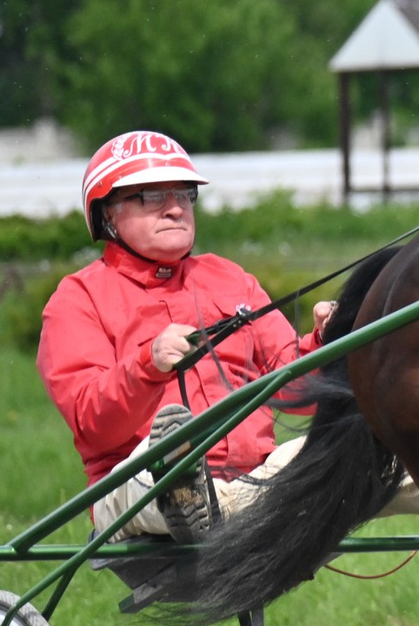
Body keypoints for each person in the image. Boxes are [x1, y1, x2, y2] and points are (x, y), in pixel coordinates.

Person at [38, 131, 341, 540]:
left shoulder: (230, 278)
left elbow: (294, 388)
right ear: (107, 214)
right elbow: (94, 424)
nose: (175, 209)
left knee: (369, 442)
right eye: (152, 196)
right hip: (132, 488)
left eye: (183, 194)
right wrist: (149, 364)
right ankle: (188, 488)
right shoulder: (77, 299)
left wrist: (328, 341)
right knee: (162, 459)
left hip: (255, 478)